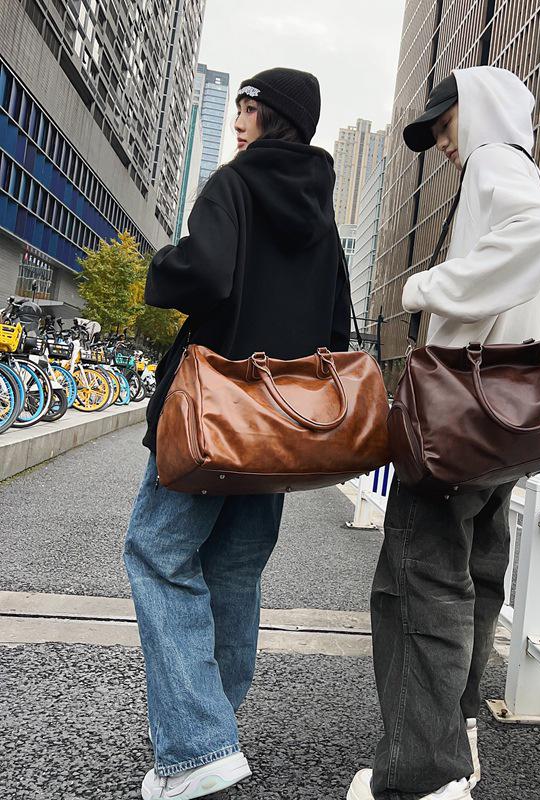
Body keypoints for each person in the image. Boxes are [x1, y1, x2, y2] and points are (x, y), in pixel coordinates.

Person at [124, 67, 351, 800]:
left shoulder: (234, 185)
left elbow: (207, 272)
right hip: (281, 431)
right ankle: (210, 738)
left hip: (214, 416)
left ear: (276, 117)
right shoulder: (323, 216)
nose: (238, 122)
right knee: (233, 571)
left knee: (156, 552)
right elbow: (338, 330)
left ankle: (198, 747)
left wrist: (164, 265)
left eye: (250, 109)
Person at [349, 66, 540, 800]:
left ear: (476, 113)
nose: (443, 143)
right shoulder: (527, 173)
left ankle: (422, 775)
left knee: (418, 583)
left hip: (460, 419)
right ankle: (455, 731)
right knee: (473, 579)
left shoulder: (494, 165)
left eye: (446, 125)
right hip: (507, 423)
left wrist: (427, 287)